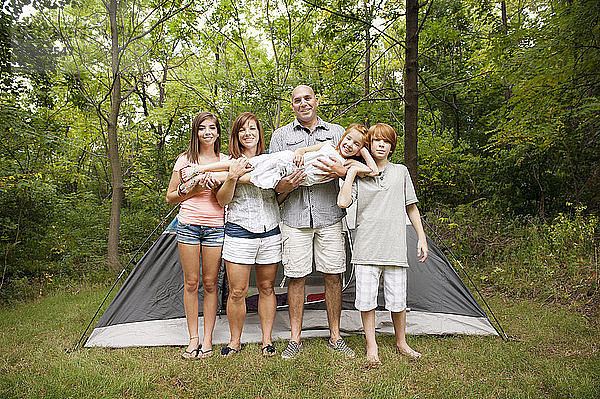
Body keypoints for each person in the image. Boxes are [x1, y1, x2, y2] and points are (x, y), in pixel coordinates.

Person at [269, 84, 356, 359]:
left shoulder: (337, 132)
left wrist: (339, 170)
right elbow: (274, 182)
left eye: (308, 98)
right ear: (292, 105)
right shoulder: (280, 136)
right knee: (296, 276)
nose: (303, 103)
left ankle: (336, 336)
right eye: (297, 100)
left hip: (329, 214)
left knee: (333, 274)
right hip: (294, 218)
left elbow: (351, 169)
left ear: (316, 100)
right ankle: (295, 339)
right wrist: (286, 184)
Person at [338, 122, 429, 364]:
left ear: (391, 147)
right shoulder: (358, 171)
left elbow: (411, 206)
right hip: (366, 247)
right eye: (376, 140)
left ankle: (401, 342)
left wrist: (421, 238)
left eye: (386, 141)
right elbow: (343, 202)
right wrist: (353, 173)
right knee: (366, 301)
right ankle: (372, 345)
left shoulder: (400, 172)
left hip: (394, 247)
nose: (381, 144)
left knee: (398, 300)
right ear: (369, 145)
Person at [216, 112, 281, 357]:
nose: (248, 133)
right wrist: (232, 177)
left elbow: (278, 196)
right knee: (237, 291)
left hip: (270, 231)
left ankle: (267, 341)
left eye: (253, 129)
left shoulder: (271, 160)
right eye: (242, 130)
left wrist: (287, 186)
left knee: (266, 287)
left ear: (259, 134)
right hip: (239, 232)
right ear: (236, 136)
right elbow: (222, 200)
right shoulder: (229, 162)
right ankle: (235, 341)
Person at [166, 112, 226, 359]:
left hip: (216, 227)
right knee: (191, 283)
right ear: (196, 133)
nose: (207, 132)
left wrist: (220, 185)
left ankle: (208, 339)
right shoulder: (184, 160)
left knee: (211, 284)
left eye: (212, 128)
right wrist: (193, 188)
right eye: (202, 128)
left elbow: (229, 196)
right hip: (188, 224)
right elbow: (170, 197)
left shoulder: (226, 160)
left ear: (218, 133)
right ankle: (193, 339)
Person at [178, 123, 377, 190]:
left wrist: (364, 151)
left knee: (242, 177)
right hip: (285, 161)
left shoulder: (349, 164)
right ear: (343, 137)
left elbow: (373, 171)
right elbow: (303, 150)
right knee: (241, 165)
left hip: (287, 175)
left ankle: (198, 179)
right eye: (348, 139)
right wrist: (298, 152)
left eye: (356, 144)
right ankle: (198, 169)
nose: (349, 145)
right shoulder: (327, 145)